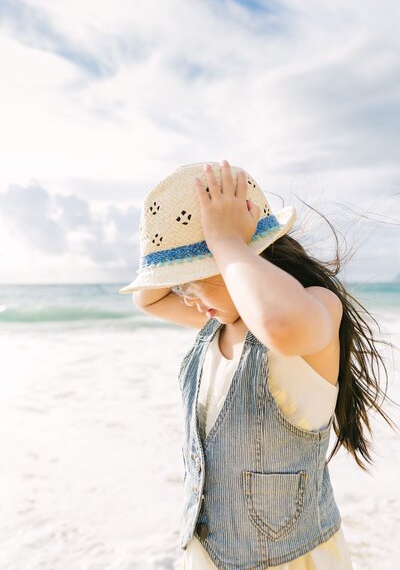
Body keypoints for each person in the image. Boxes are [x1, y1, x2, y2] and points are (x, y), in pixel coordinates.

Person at [119, 160, 398, 569]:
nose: (187, 295)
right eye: (181, 282)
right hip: (209, 556)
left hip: (291, 558)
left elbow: (279, 324)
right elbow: (146, 297)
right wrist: (203, 251)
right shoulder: (220, 320)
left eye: (193, 278)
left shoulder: (316, 308)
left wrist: (227, 241)